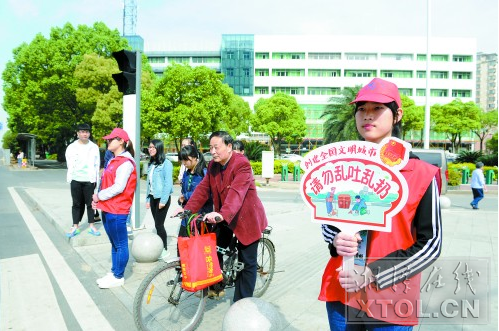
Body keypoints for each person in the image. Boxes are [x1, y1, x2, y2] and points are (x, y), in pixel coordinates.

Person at [320, 78, 442, 330]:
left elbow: (431, 244)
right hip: (342, 292)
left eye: (377, 109)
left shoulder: (421, 173)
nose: (368, 116)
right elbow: (328, 221)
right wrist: (335, 239)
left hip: (391, 298)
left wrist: (373, 273)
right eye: (362, 109)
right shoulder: (342, 168)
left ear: (397, 115)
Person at [174, 131, 268, 302]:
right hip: (224, 216)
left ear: (229, 146)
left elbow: (237, 193)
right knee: (212, 249)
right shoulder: (213, 166)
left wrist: (221, 214)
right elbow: (203, 189)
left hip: (246, 218)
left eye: (216, 147)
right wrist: (187, 210)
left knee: (247, 263)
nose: (213, 151)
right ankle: (218, 285)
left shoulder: (242, 165)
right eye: (210, 148)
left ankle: (242, 304)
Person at [92, 128, 136, 289]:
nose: (108, 142)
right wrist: (97, 199)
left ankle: (118, 276)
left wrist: (99, 196)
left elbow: (119, 187)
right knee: (114, 243)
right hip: (108, 207)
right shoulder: (113, 160)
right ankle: (114, 272)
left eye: (112, 139)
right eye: (108, 139)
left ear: (122, 141)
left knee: (121, 244)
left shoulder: (126, 162)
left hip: (118, 209)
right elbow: (105, 182)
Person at [65, 123, 101, 237]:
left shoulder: (94, 147)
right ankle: (75, 226)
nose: (84, 134)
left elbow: (97, 164)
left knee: (91, 203)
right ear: (78, 133)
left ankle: (91, 226)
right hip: (75, 179)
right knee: (76, 203)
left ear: (89, 133)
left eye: (86, 132)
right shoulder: (71, 147)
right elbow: (69, 163)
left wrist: (95, 179)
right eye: (82, 131)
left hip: (89, 180)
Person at [146, 139, 173, 260]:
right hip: (153, 197)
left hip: (162, 198)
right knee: (157, 225)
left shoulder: (166, 164)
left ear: (158, 148)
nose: (150, 149)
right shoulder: (151, 163)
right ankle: (160, 247)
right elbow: (149, 183)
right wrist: (147, 199)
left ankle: (164, 249)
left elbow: (168, 183)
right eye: (149, 147)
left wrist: (163, 200)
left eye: (153, 147)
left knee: (159, 225)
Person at [177, 145, 213, 238]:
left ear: (195, 157)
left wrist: (186, 195)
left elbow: (205, 194)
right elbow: (184, 190)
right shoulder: (187, 173)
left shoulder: (204, 173)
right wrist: (181, 199)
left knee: (198, 249)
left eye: (186, 159)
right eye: (182, 160)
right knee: (182, 247)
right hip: (187, 217)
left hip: (200, 217)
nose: (184, 162)